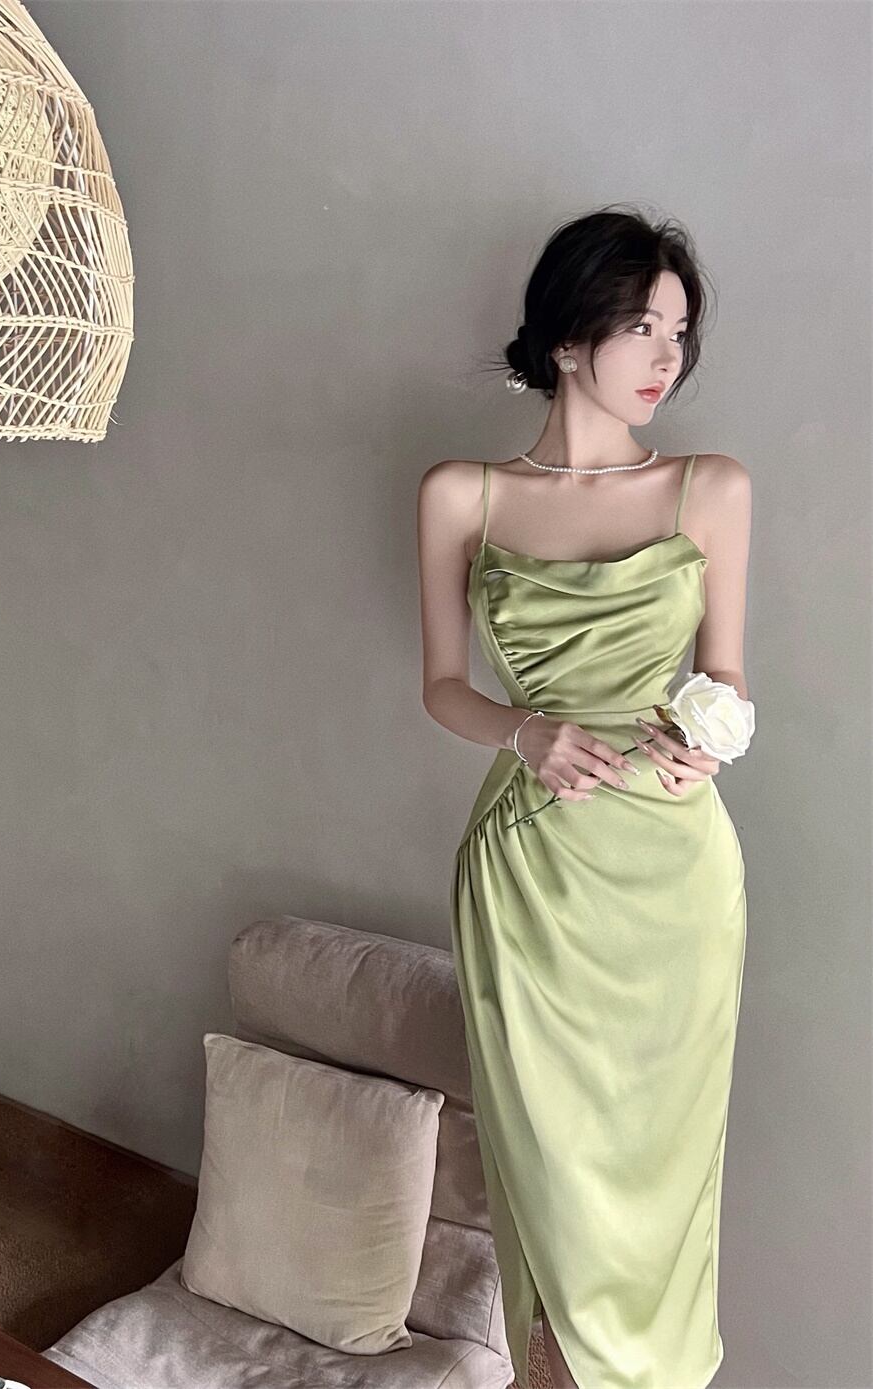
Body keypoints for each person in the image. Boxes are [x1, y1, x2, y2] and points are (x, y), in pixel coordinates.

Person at [417, 205, 750, 1389]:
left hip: (674, 885)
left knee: (663, 1191)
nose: (667, 357)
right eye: (641, 326)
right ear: (567, 338)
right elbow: (442, 689)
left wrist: (710, 738)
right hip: (532, 875)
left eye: (678, 332)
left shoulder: (709, 488)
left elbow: (726, 679)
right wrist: (523, 732)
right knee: (550, 1185)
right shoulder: (462, 495)